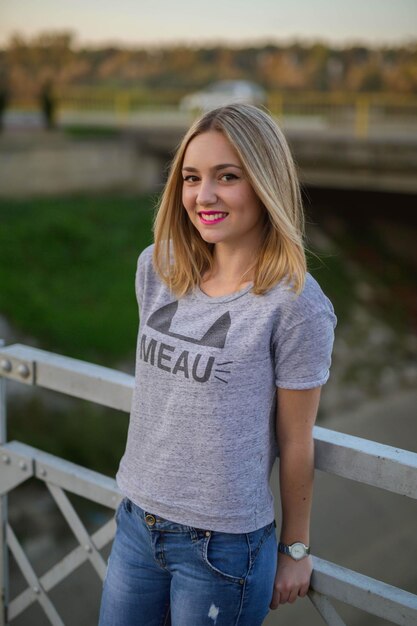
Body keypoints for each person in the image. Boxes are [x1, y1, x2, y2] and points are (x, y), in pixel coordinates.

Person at [98, 103, 337, 626]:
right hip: (136, 522)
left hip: (222, 548)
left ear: (264, 183)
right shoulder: (155, 268)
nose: (203, 196)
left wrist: (296, 549)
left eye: (227, 177)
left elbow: (298, 440)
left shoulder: (294, 305)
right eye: (191, 177)